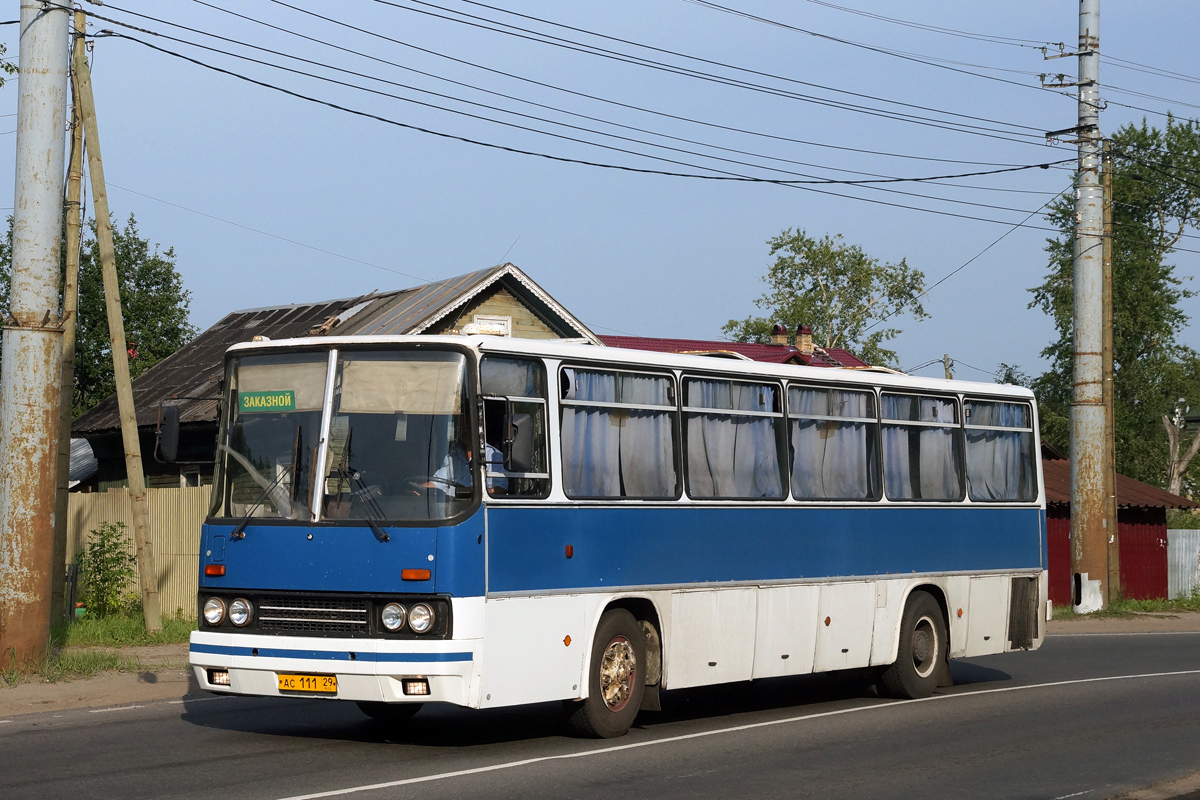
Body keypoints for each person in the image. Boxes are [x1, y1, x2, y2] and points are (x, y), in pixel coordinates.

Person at [418, 441, 509, 496]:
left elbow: (500, 490)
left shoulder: (495, 456)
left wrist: (474, 493)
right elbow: (438, 482)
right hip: (452, 507)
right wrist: (418, 488)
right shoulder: (454, 455)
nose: (465, 430)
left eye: (469, 425)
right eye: (462, 425)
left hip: (478, 507)